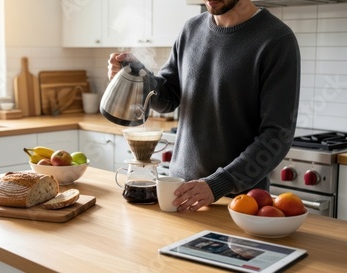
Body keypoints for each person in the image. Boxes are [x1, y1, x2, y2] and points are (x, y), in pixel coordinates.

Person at [107, 0, 300, 212]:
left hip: (239, 202)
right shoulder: (191, 30)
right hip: (179, 193)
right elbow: (167, 98)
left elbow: (277, 136)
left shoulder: (277, 40)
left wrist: (217, 184)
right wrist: (139, 77)